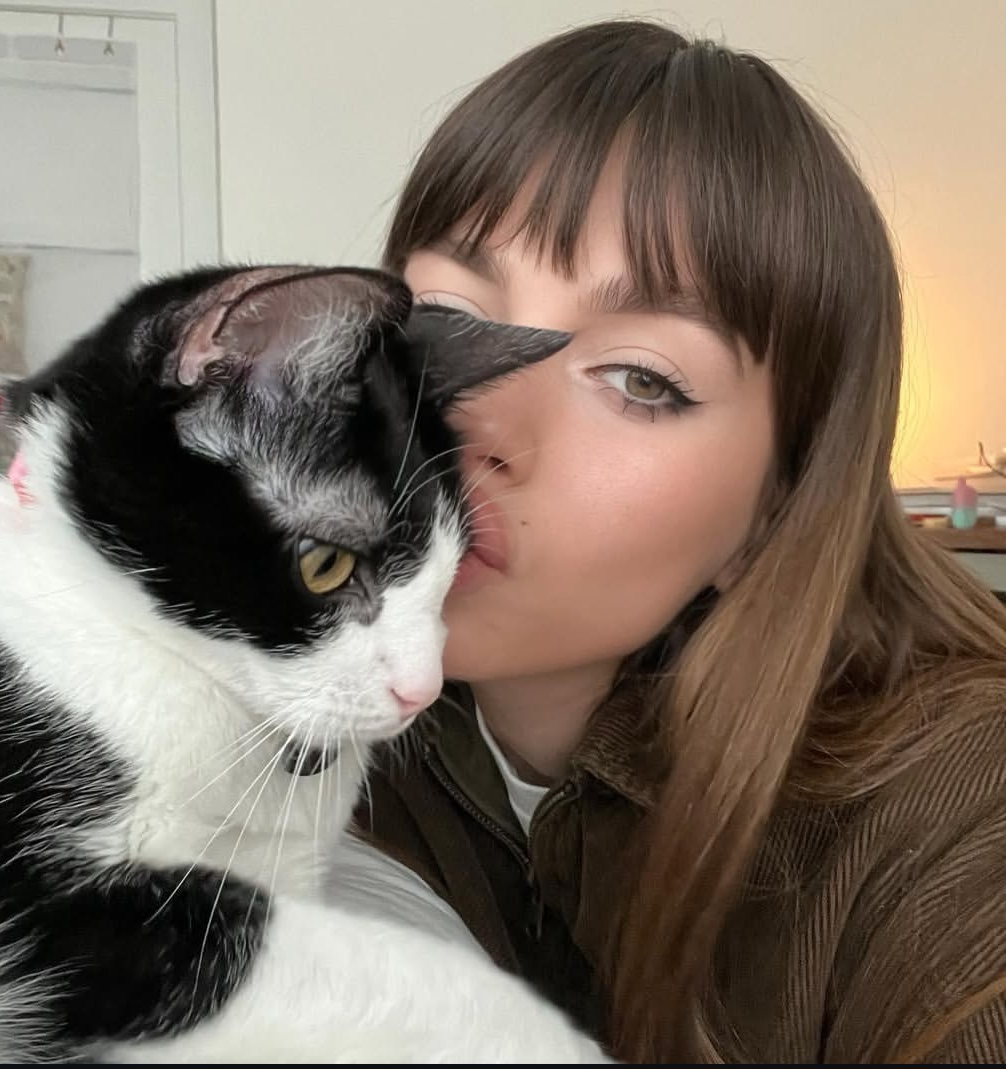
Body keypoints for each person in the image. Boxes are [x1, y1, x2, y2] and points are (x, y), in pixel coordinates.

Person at [332, 18, 1006, 1063]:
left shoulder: (953, 807)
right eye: (446, 318)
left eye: (641, 378)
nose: (473, 418)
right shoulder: (283, 696)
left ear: (777, 509)